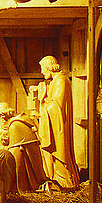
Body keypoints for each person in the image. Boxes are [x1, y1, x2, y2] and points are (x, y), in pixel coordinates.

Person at [32, 56, 80, 190]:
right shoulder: (55, 80)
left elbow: (56, 106)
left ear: (49, 67)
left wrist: (41, 108)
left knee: (59, 150)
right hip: (54, 123)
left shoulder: (61, 80)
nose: (42, 72)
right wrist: (40, 88)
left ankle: (64, 181)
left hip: (58, 125)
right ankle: (55, 179)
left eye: (42, 68)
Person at [0, 102, 47, 193]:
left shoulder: (15, 125)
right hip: (26, 154)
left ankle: (16, 188)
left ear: (2, 117)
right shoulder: (17, 122)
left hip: (26, 157)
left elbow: (13, 151)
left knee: (10, 161)